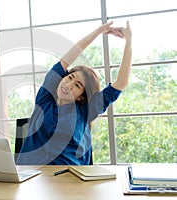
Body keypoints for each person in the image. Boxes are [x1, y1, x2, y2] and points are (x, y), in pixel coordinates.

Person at [16, 21, 132, 165]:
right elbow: (66, 59)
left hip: (69, 180)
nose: (68, 85)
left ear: (81, 96)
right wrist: (97, 32)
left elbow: (121, 83)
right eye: (70, 77)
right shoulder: (45, 98)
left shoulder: (85, 111)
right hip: (32, 178)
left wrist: (129, 42)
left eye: (77, 85)